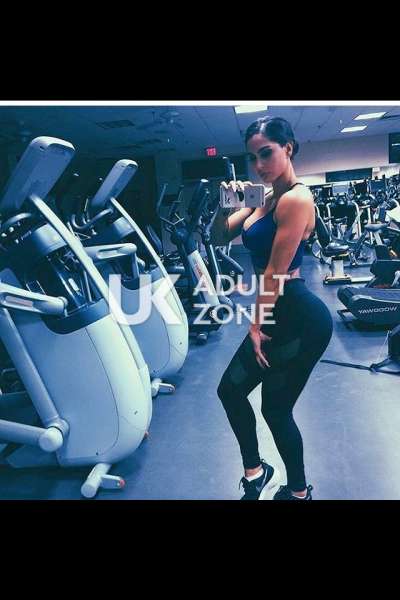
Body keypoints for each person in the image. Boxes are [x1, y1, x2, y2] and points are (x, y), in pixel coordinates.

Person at [217, 117, 333, 500]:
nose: (259, 165)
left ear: (288, 148)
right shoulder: (263, 199)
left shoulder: (297, 199)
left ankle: (299, 493)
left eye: (266, 153)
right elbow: (219, 236)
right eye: (253, 158)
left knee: (276, 410)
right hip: (277, 312)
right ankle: (256, 472)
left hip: (300, 319)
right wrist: (224, 207)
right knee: (230, 391)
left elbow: (276, 274)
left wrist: (255, 325)